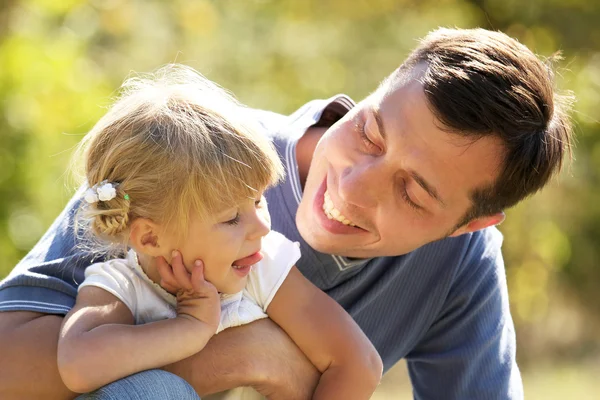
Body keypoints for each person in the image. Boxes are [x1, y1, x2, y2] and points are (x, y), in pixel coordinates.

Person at [0, 27, 573, 400]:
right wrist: (245, 356)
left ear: (466, 224)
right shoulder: (189, 160)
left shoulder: (460, 266)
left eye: (413, 194)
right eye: (370, 133)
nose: (351, 187)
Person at [52, 66, 382, 400]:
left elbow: (357, 362)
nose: (263, 227)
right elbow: (77, 367)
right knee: (151, 390)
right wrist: (189, 329)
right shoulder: (123, 285)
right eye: (231, 219)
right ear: (151, 239)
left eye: (258, 200)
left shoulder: (262, 268)